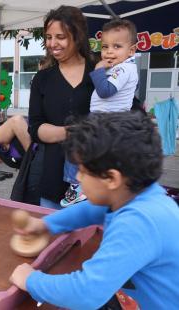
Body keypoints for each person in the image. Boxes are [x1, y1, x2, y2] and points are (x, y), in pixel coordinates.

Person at [9, 111, 179, 309]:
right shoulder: (137, 194)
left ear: (112, 179)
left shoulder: (138, 223)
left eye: (82, 171)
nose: (78, 179)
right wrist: (45, 224)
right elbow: (92, 211)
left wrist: (31, 281)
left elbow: (86, 293)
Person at [60, 19, 139, 208]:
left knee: (76, 145)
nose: (109, 51)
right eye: (105, 47)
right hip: (105, 119)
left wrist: (97, 71)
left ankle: (76, 185)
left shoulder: (124, 68)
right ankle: (85, 184)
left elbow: (106, 91)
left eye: (117, 46)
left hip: (107, 120)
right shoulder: (121, 67)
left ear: (132, 50)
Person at [28, 6, 94, 209]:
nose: (52, 44)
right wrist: (72, 132)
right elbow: (35, 128)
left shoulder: (100, 72)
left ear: (78, 36)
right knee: (54, 239)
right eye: (48, 37)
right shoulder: (43, 79)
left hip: (96, 184)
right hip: (53, 182)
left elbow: (131, 111)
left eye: (60, 37)